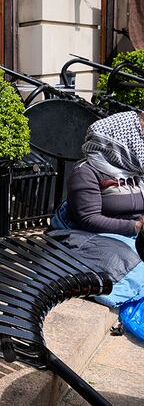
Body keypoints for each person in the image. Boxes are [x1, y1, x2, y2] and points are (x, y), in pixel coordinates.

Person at [50, 110, 144, 309]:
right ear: (122, 139)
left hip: (132, 234)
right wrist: (135, 226)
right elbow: (89, 219)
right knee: (133, 262)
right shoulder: (86, 171)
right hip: (90, 235)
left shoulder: (134, 172)